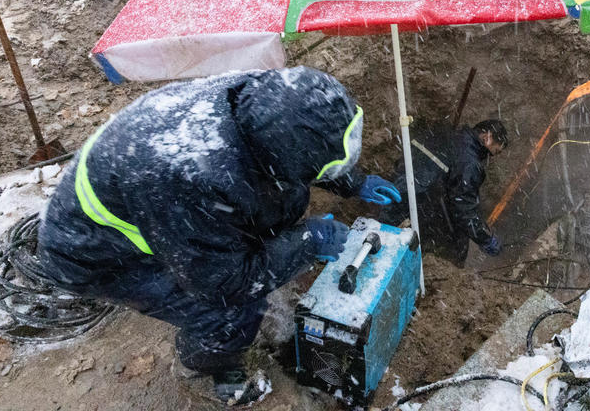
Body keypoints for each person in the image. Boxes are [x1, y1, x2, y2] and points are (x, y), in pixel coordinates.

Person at [36, 67, 400, 405]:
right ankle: (204, 370)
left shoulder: (263, 98)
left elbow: (302, 143)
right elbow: (221, 284)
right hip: (93, 251)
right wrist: (308, 243)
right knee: (233, 313)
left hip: (150, 202)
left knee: (270, 220)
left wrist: (352, 180)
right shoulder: (192, 180)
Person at [382, 119, 508, 267]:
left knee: (382, 238)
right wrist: (485, 238)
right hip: (419, 206)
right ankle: (442, 268)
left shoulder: (444, 132)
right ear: (488, 137)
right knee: (457, 242)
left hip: (395, 192)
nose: (491, 156)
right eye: (495, 151)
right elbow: (464, 209)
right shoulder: (469, 163)